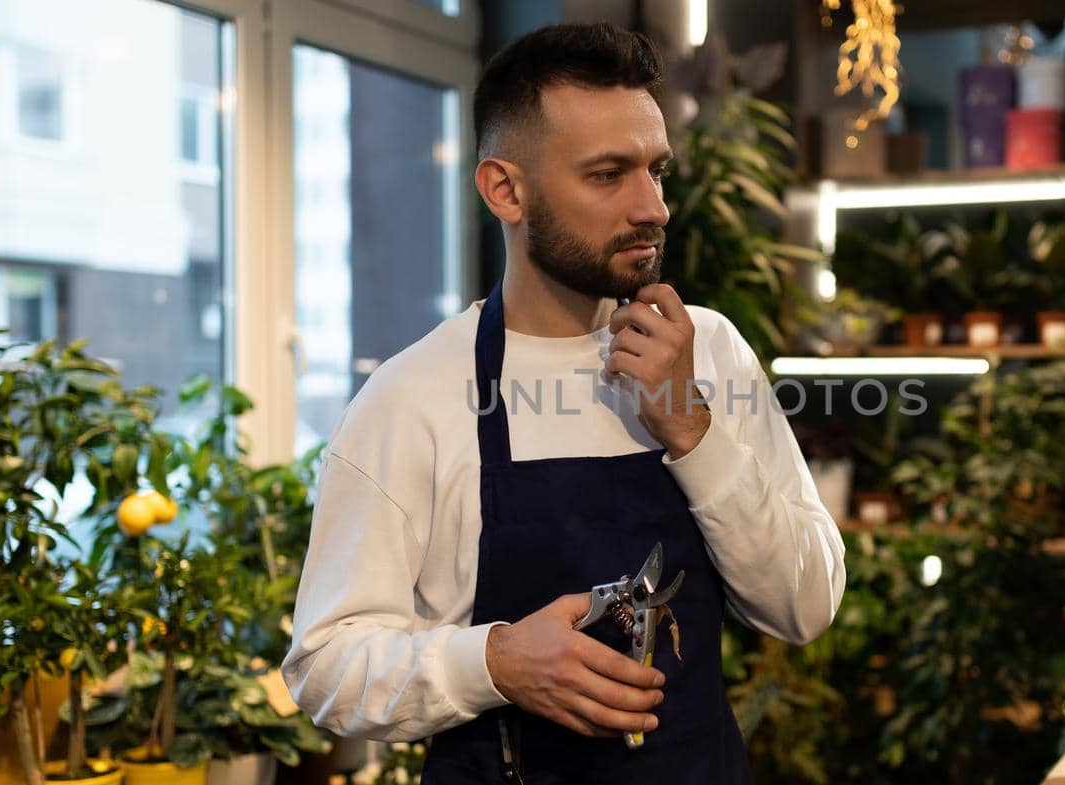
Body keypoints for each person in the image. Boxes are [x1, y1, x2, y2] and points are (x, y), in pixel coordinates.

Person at [281, 21, 845, 784]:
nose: (654, 208)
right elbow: (324, 667)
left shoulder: (707, 352)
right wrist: (496, 660)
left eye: (657, 170)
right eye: (608, 174)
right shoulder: (412, 398)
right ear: (505, 189)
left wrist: (693, 428)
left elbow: (803, 605)